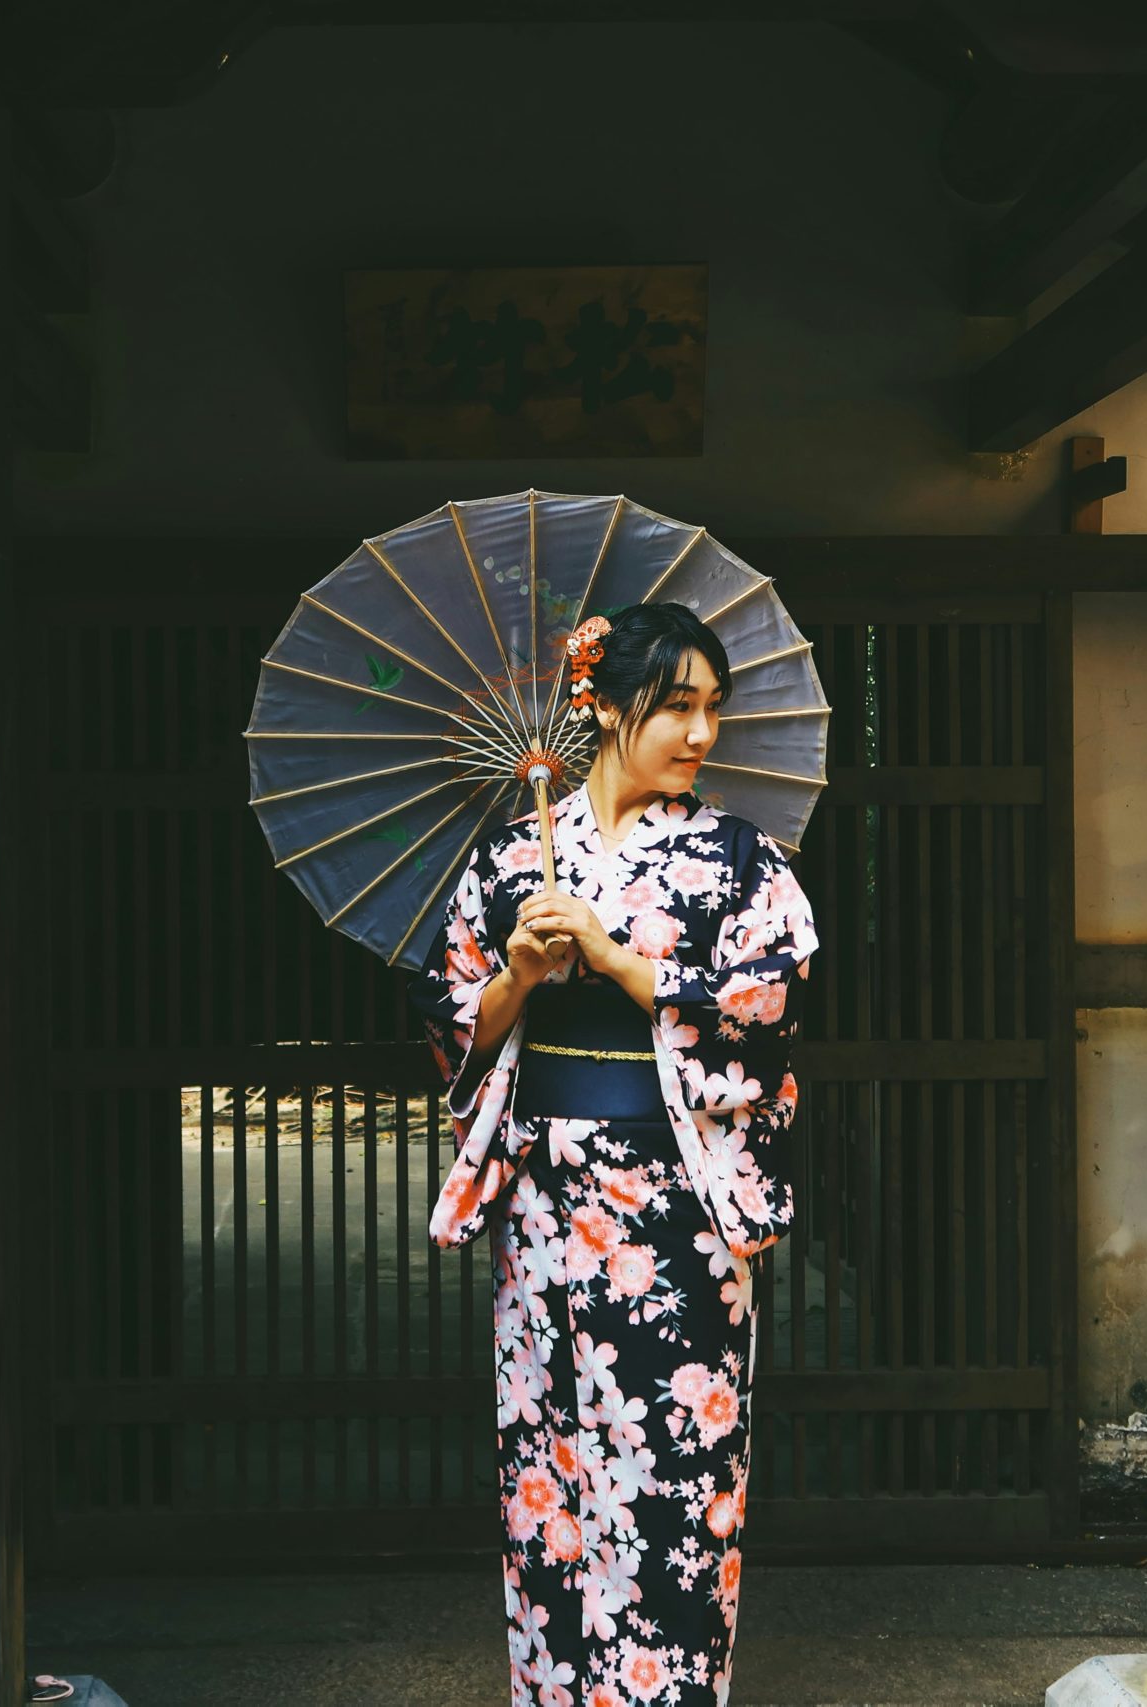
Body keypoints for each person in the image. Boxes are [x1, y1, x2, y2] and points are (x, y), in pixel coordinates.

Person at [412, 602, 819, 1707]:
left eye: (710, 710)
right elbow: (451, 1028)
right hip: (548, 1208)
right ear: (600, 706)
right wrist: (520, 978)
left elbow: (765, 1015)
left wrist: (617, 959)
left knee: (676, 1481)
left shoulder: (741, 862)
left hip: (678, 1216)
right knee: (549, 1475)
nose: (699, 733)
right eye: (675, 705)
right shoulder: (507, 862)